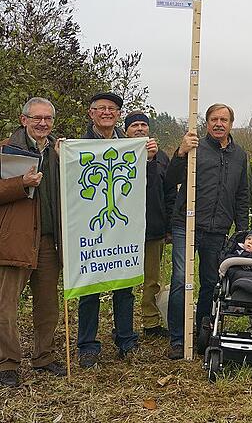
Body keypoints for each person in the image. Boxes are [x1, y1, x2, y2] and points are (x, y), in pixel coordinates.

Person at [165, 103, 250, 360]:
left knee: (210, 283)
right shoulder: (194, 148)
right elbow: (171, 179)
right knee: (181, 280)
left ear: (231, 124)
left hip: (218, 229)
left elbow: (242, 195)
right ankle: (178, 339)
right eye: (214, 119)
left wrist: (242, 231)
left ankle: (202, 333)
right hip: (187, 225)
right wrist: (180, 153)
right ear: (206, 122)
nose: (218, 124)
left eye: (224, 119)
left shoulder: (239, 155)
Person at [77, 93, 147, 368]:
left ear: (119, 114)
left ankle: (126, 339)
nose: (107, 113)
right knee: (90, 287)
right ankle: (87, 345)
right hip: (90, 228)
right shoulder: (78, 146)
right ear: (91, 113)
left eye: (112, 109)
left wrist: (149, 157)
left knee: (124, 284)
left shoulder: (130, 145)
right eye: (101, 108)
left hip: (121, 229)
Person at [0, 97, 65, 387]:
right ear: (23, 119)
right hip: (16, 239)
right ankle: (8, 363)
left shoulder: (57, 151)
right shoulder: (6, 150)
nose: (43, 124)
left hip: (49, 240)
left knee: (47, 304)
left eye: (48, 119)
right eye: (37, 118)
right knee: (6, 305)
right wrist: (20, 184)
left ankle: (44, 357)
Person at [124, 111, 176, 338]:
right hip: (122, 230)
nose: (139, 128)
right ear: (126, 130)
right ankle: (123, 325)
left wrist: (169, 227)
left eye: (143, 125)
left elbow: (168, 193)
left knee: (152, 279)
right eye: (134, 125)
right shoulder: (117, 155)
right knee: (123, 282)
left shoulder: (161, 157)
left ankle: (151, 322)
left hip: (153, 228)